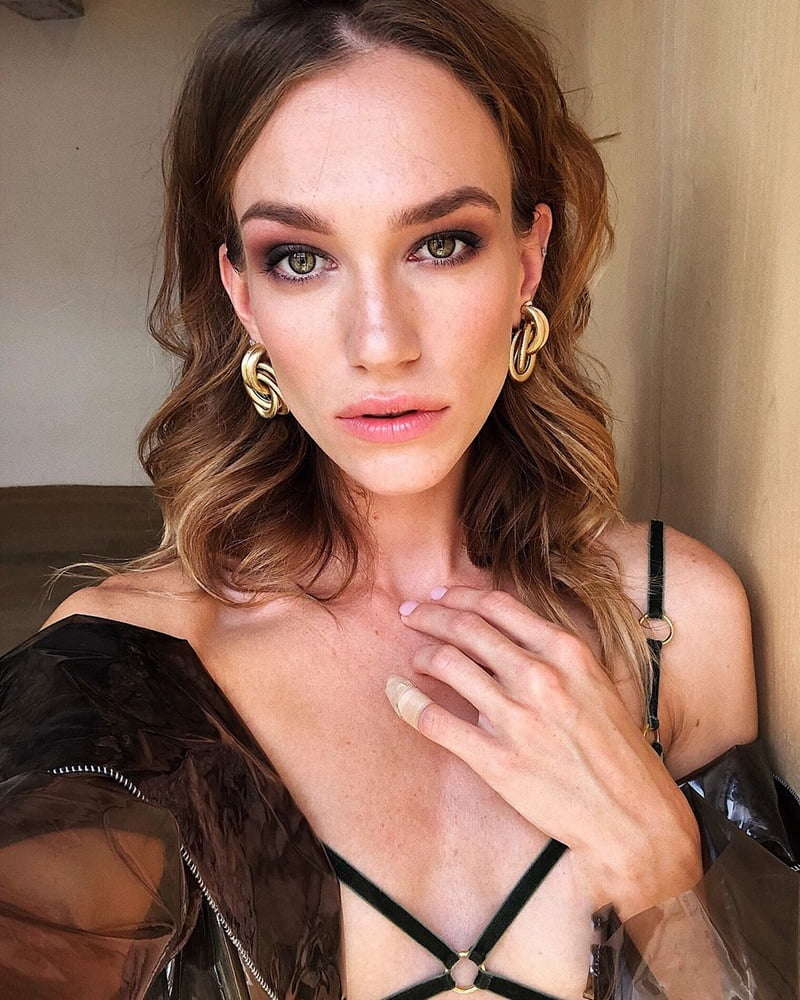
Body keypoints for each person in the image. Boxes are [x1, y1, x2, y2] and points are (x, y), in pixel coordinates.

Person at [0, 1, 797, 998]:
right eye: (300, 258)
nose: (380, 342)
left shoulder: (673, 620)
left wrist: (660, 872)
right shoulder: (127, 674)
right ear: (243, 296)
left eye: (442, 243)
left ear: (527, 262)